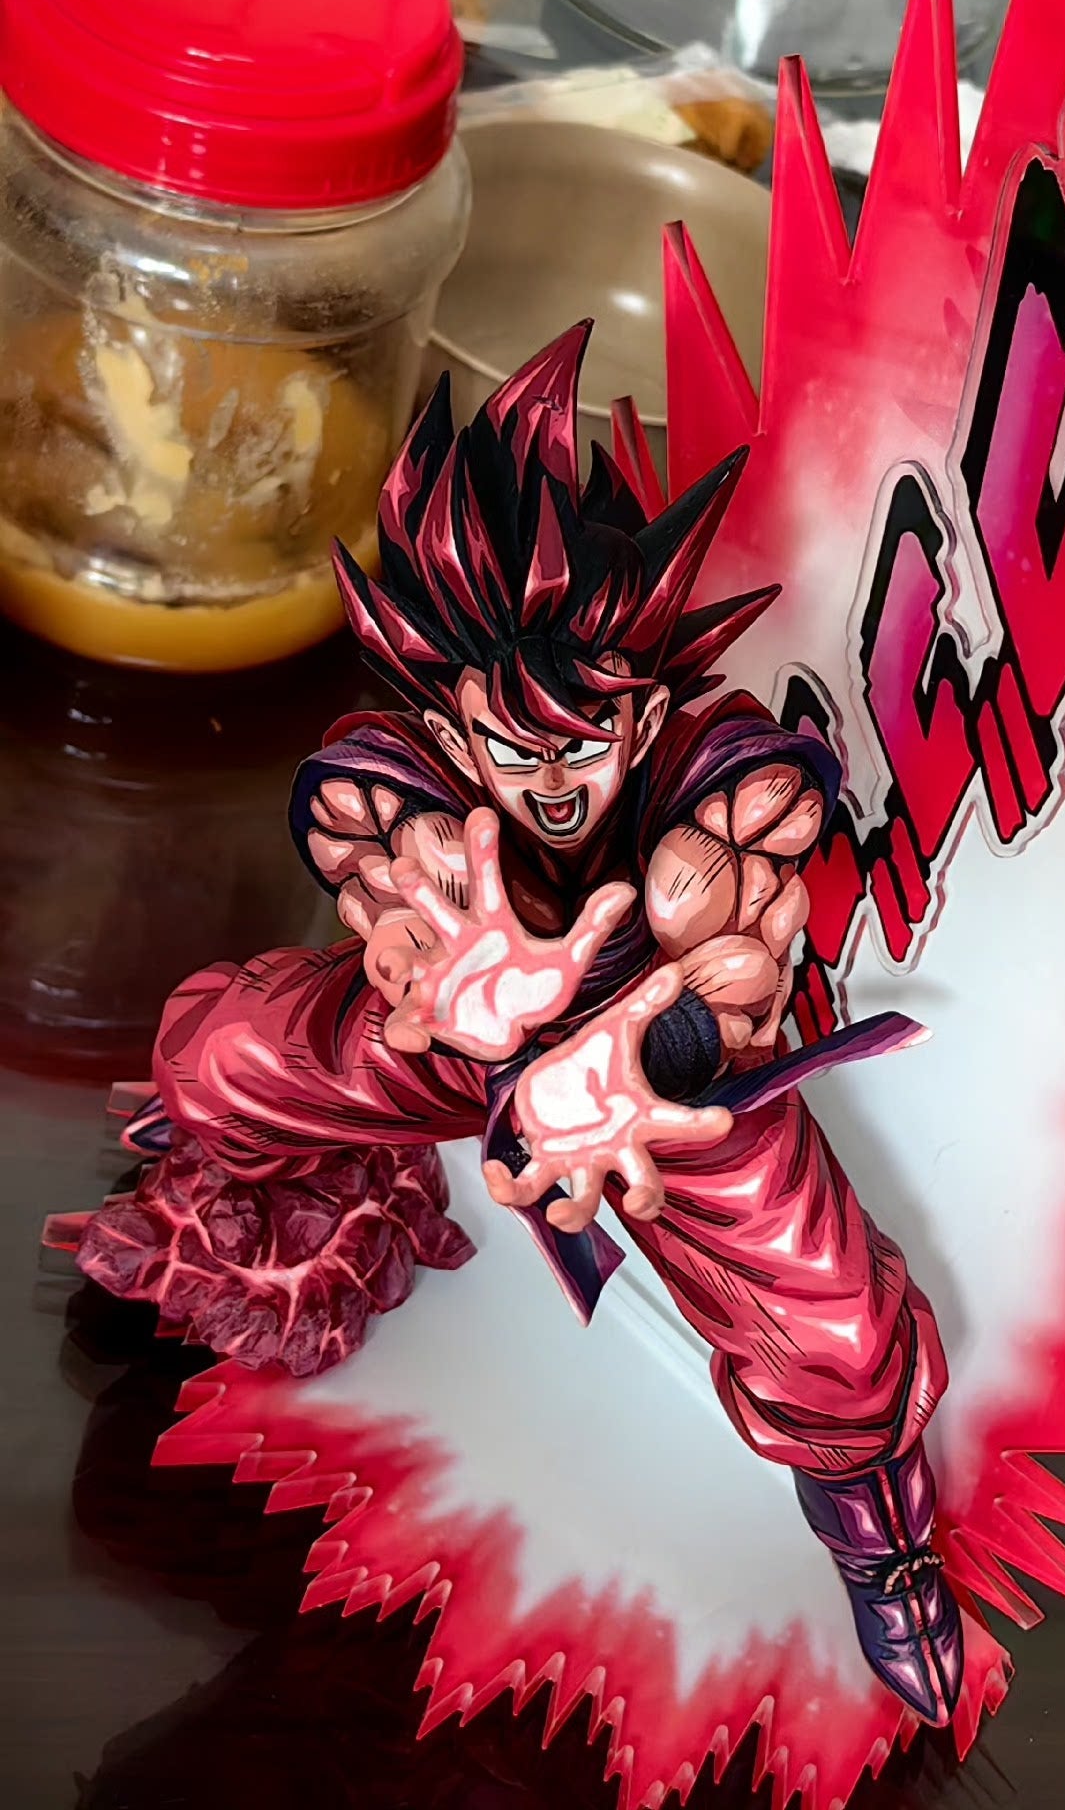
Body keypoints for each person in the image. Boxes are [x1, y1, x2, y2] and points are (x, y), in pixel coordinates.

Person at [62, 326, 961, 1724]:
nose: (552, 782)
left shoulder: (724, 791)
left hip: (662, 1085)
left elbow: (735, 960)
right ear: (447, 721)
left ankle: (883, 1550)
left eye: (589, 739)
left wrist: (630, 1046)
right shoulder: (398, 787)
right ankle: (225, 1189)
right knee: (219, 1061)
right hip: (449, 1037)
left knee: (840, 1336)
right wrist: (453, 987)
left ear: (646, 712)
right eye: (513, 743)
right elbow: (390, 884)